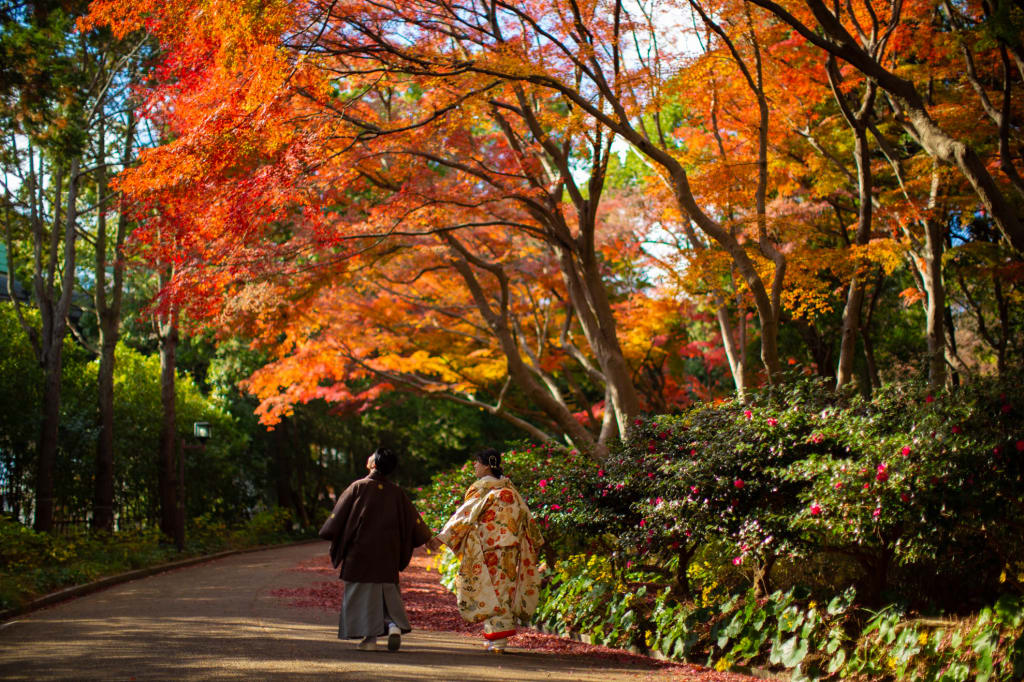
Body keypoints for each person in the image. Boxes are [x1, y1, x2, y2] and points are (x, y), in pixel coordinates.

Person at [318, 447, 432, 652]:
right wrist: (428, 539)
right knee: (386, 592)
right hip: (388, 553)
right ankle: (393, 625)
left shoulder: (358, 487)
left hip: (360, 554)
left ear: (374, 464)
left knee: (361, 594)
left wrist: (328, 531)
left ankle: (369, 640)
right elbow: (415, 523)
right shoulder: (397, 492)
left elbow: (338, 518)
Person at [432, 448, 544, 653]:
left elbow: (465, 515)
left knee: (490, 588)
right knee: (504, 589)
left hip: (488, 546)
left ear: (486, 465)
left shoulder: (482, 488)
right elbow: (526, 516)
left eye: (477, 462)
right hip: (511, 546)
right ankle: (495, 636)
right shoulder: (510, 489)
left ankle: (497, 638)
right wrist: (534, 541)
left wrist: (443, 537)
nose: (474, 465)